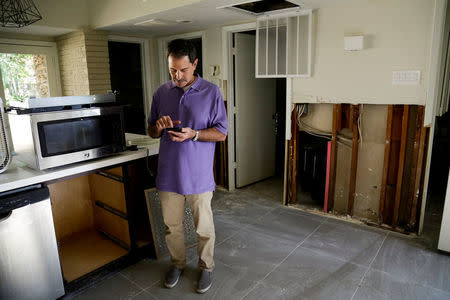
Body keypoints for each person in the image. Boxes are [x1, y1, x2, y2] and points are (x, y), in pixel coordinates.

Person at [147, 39, 227, 294]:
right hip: (168, 175)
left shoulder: (211, 92)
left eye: (183, 70)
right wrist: (157, 128)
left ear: (194, 64)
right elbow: (150, 130)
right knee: (172, 227)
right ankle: (178, 264)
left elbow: (221, 133)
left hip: (199, 176)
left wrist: (195, 134)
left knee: (204, 228)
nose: (178, 76)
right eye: (173, 70)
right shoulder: (161, 93)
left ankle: (206, 267)